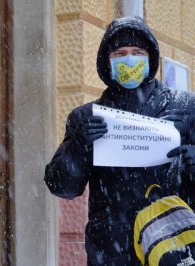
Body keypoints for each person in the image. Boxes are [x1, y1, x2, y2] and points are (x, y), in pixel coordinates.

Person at [44, 16, 195, 265]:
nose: (129, 59)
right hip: (112, 250)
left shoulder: (186, 107)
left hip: (174, 243)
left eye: (138, 52)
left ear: (151, 58)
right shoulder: (86, 117)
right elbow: (62, 187)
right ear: (107, 61)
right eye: (119, 53)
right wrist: (78, 147)